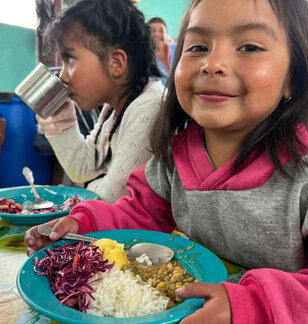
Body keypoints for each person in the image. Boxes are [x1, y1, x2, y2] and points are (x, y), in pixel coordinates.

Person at [25, 0, 308, 322]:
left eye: (249, 46)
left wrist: (252, 304)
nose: (212, 64)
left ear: (293, 79)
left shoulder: (303, 172)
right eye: (198, 46)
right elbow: (138, 213)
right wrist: (84, 225)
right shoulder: (176, 155)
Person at [36, 0, 164, 203]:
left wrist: (74, 196)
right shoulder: (113, 109)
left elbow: (113, 197)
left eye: (69, 59)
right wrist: (62, 121)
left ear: (116, 63)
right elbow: (83, 168)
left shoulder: (151, 107)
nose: (63, 76)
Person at [148, 17, 176, 86]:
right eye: (153, 31)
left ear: (166, 34)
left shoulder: (177, 50)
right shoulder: (144, 58)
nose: (157, 34)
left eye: (161, 31)